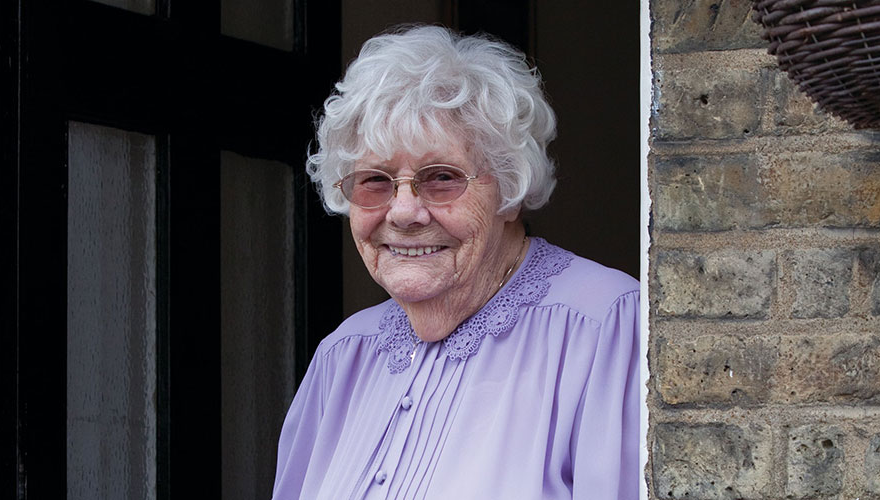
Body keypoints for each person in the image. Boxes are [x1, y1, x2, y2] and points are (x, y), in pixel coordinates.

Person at [273, 25, 640, 500]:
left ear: (510, 188)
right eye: (375, 181)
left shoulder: (604, 327)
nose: (403, 212)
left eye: (441, 177)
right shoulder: (343, 356)